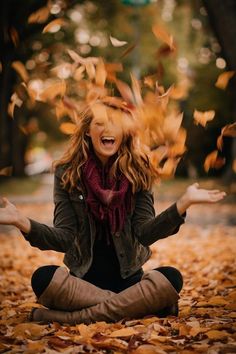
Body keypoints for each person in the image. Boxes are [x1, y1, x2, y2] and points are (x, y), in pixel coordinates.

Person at [0, 103, 226, 325]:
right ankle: (143, 307)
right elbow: (64, 238)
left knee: (171, 277)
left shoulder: (139, 170)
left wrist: (182, 204)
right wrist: (21, 221)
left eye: (116, 123)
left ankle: (70, 318)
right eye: (100, 123)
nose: (108, 129)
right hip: (82, 286)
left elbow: (145, 233)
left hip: (130, 283)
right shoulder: (67, 173)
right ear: (88, 131)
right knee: (42, 277)